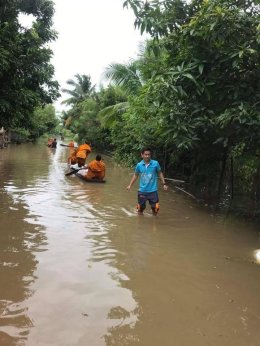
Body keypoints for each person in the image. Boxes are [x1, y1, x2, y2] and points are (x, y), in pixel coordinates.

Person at [126, 147, 168, 215]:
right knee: (140, 209)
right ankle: (140, 223)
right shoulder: (139, 165)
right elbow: (136, 175)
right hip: (142, 190)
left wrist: (164, 183)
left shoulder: (155, 163)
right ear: (142, 155)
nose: (147, 156)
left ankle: (154, 222)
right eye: (145, 154)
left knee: (156, 209)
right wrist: (130, 185)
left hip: (153, 191)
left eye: (149, 154)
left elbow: (160, 173)